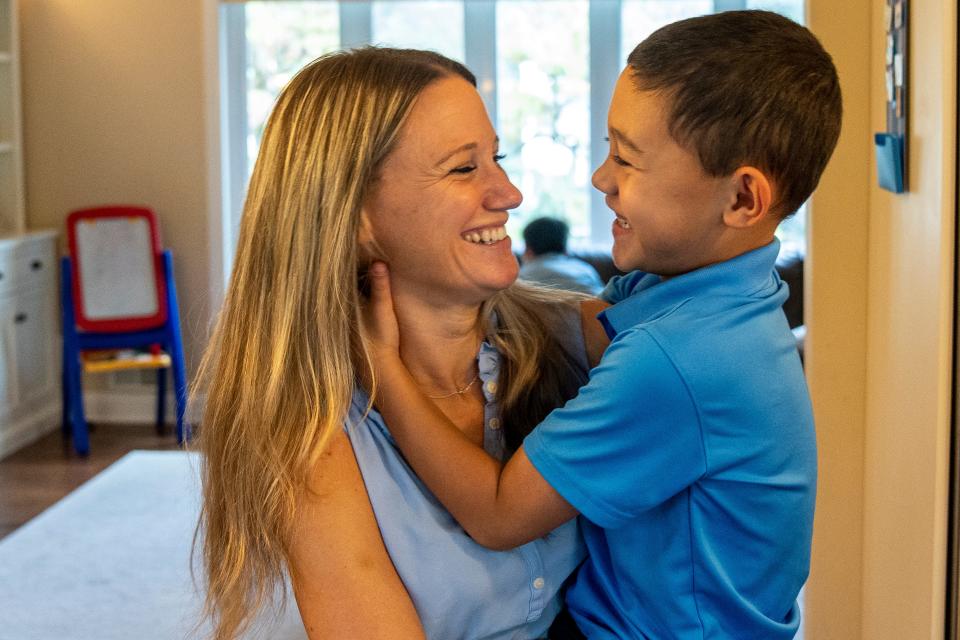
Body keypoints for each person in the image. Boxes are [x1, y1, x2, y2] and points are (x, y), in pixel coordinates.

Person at [363, 10, 842, 639]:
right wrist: (470, 283)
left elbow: (499, 514)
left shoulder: (678, 361)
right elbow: (594, 323)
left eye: (627, 160)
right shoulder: (722, 298)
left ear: (742, 199)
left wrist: (385, 368)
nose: (600, 179)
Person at [193, 47, 610, 640]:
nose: (511, 193)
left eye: (498, 158)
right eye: (464, 169)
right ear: (355, 215)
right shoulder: (312, 432)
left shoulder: (571, 340)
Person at [519, 217, 604, 295]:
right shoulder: (585, 269)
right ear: (565, 246)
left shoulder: (523, 276)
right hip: (597, 309)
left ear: (527, 247)